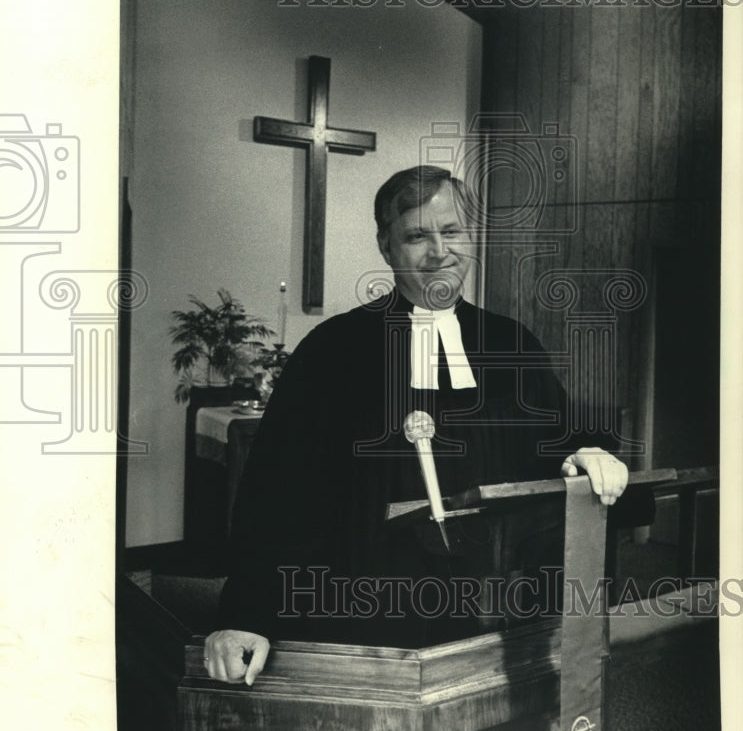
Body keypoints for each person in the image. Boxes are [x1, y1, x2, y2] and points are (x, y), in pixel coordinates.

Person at [204, 166, 628, 685]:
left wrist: (585, 451)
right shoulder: (334, 350)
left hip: (495, 611)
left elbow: (557, 435)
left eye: (451, 232)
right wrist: (245, 614)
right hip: (367, 613)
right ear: (386, 247)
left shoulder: (508, 343)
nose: (438, 252)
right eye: (416, 236)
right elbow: (277, 492)